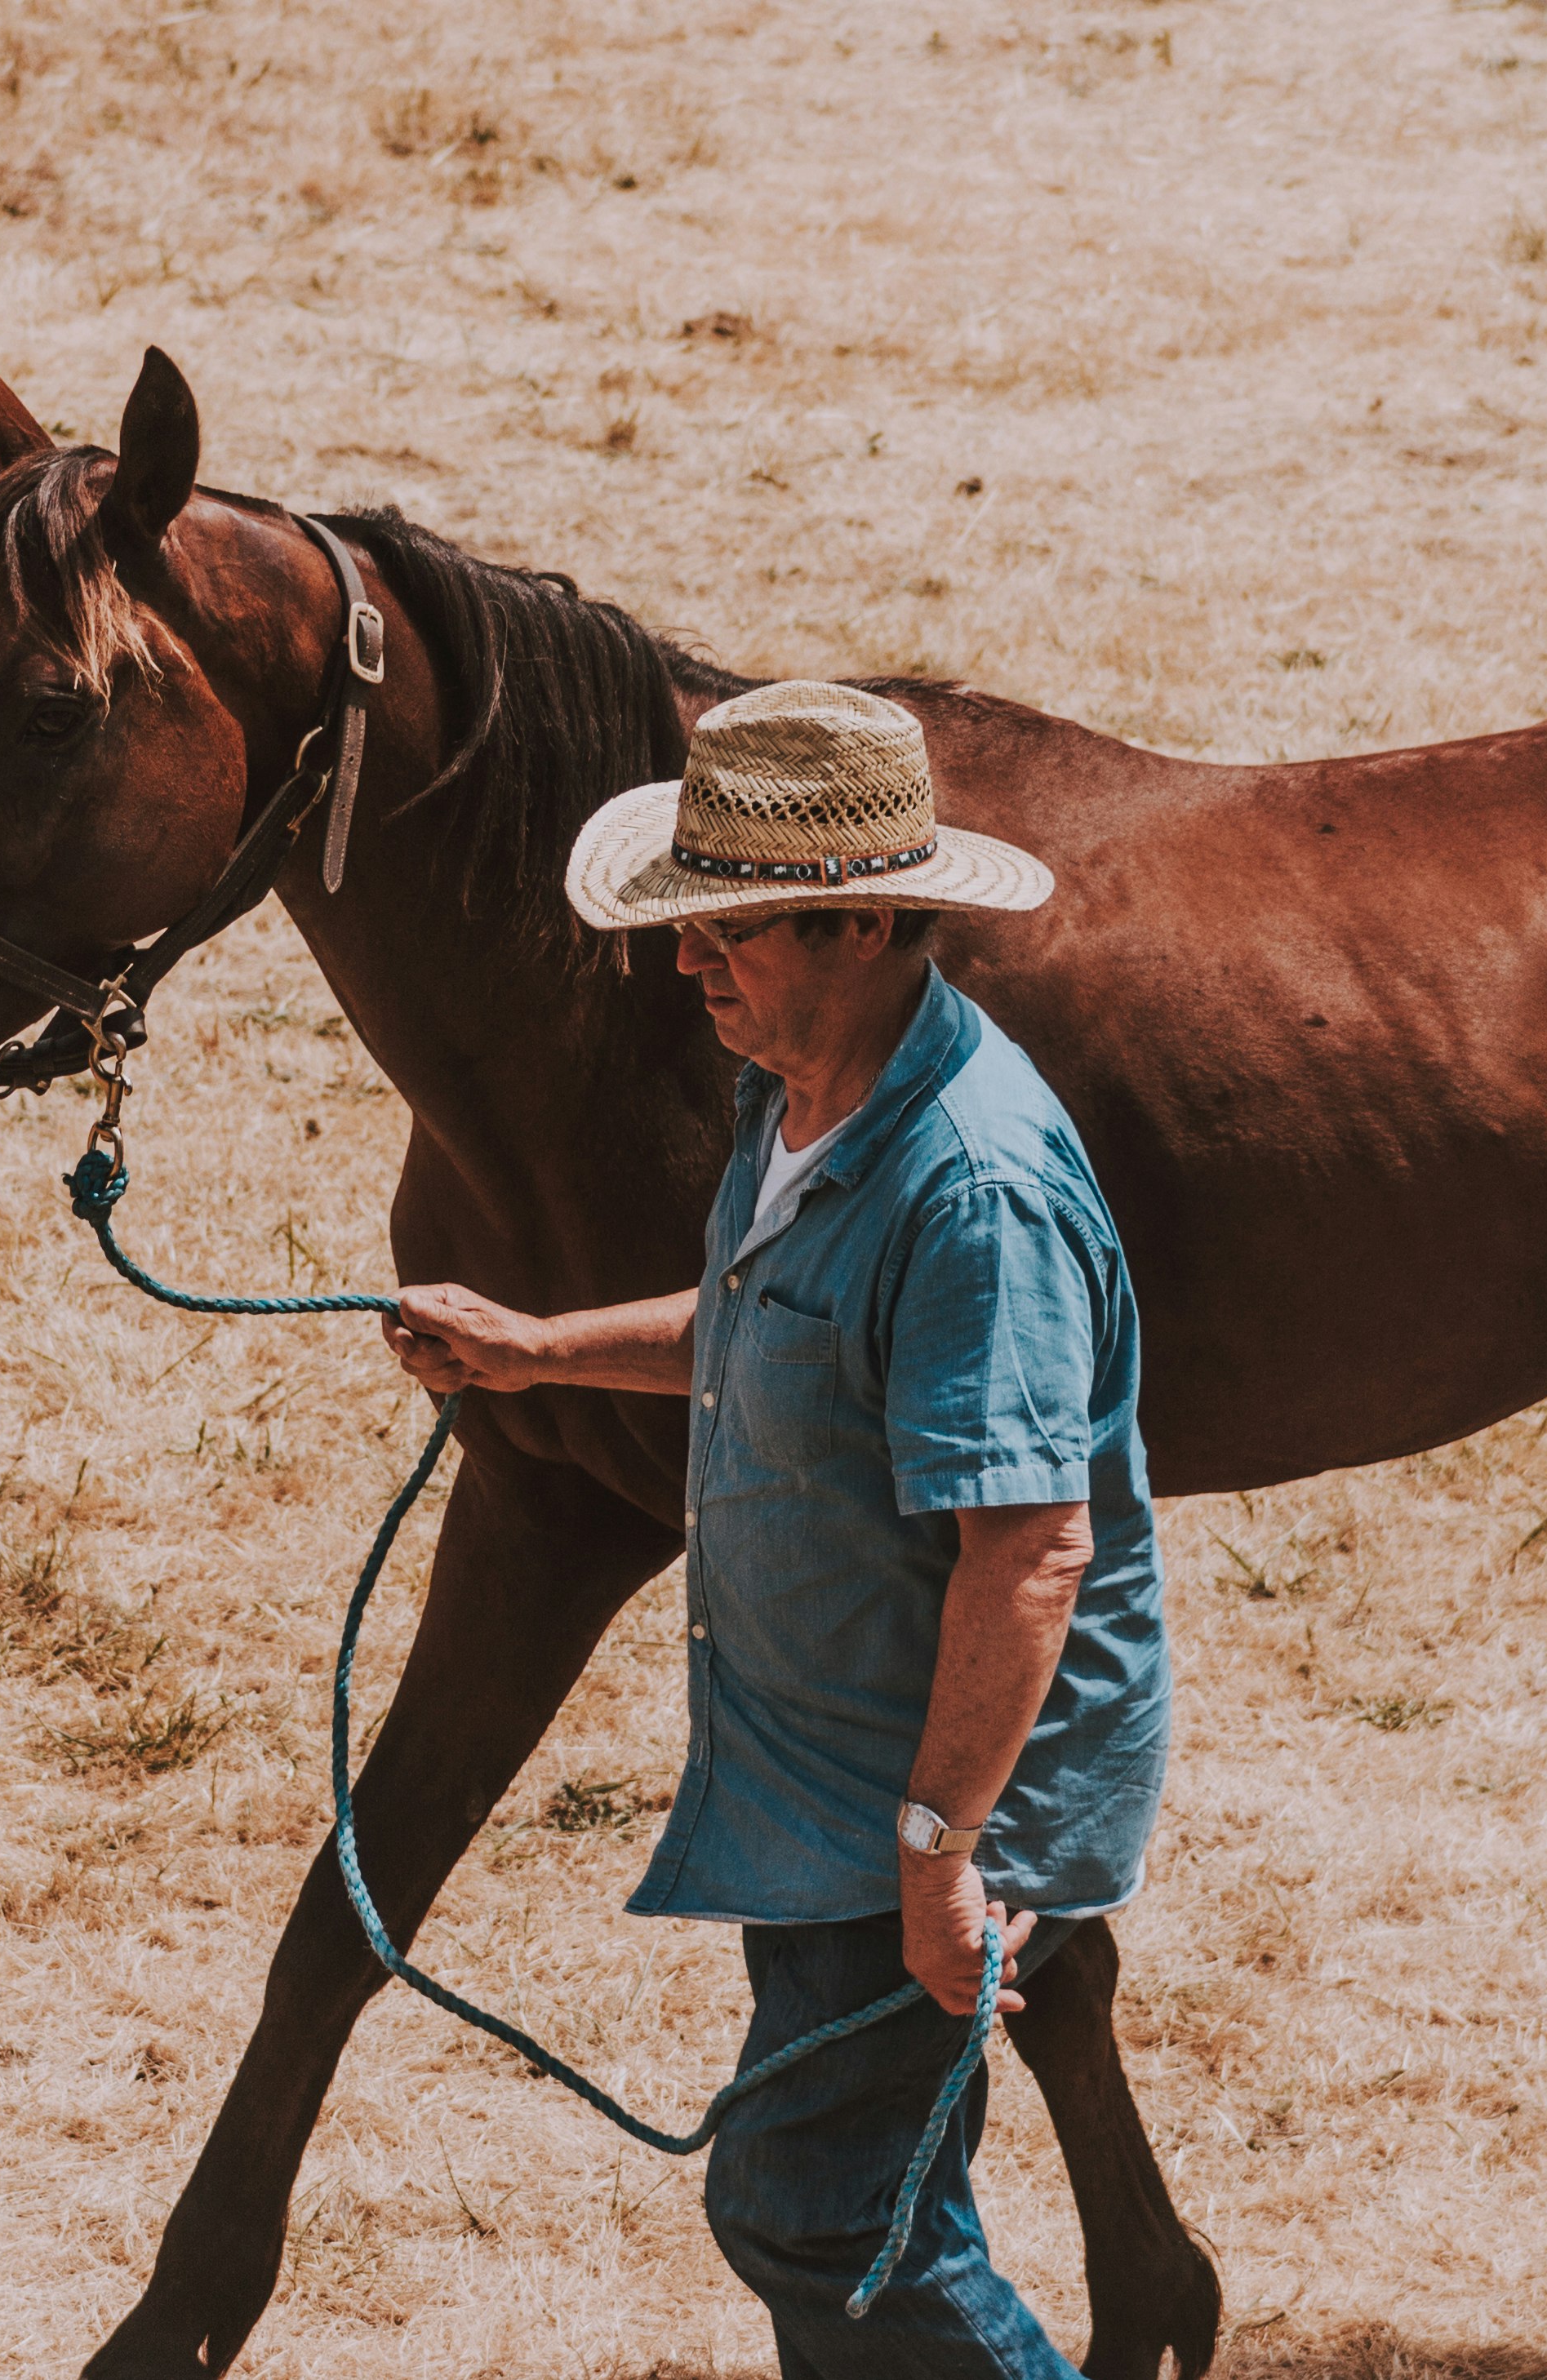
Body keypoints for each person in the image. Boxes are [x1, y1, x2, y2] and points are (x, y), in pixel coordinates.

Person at [383, 679, 1169, 2378]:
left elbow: (1029, 1556)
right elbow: (767, 1333)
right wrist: (537, 1350)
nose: (686, 963)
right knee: (835, 2211)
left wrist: (940, 1858)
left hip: (931, 1784)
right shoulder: (802, 1096)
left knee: (824, 2209)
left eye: (724, 924)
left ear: (869, 917)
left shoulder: (976, 1192)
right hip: (838, 1765)